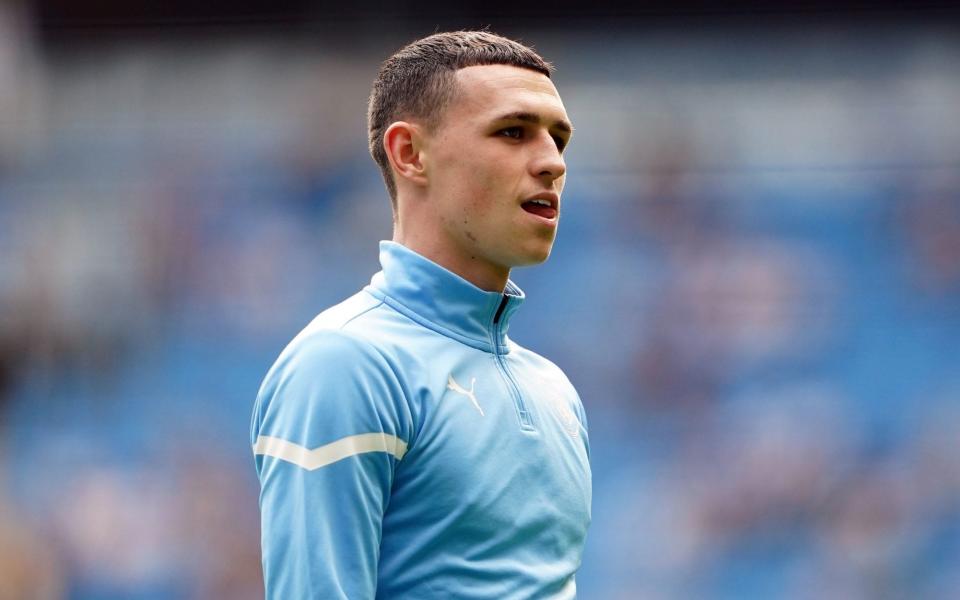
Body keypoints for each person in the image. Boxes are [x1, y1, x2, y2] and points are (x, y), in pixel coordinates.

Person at [251, 30, 591, 599]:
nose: (552, 163)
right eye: (513, 132)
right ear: (410, 153)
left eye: (558, 140)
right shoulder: (345, 363)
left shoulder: (554, 389)